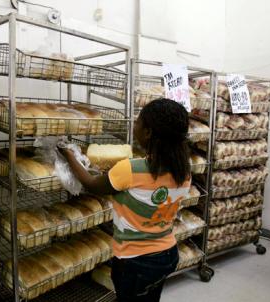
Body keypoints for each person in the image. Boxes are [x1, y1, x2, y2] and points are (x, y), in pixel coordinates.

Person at [59, 98, 191, 302]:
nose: (134, 125)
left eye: (138, 121)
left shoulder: (130, 169)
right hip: (167, 253)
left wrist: (69, 155)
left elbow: (91, 185)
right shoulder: (183, 170)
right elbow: (145, 189)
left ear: (148, 132)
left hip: (135, 260)